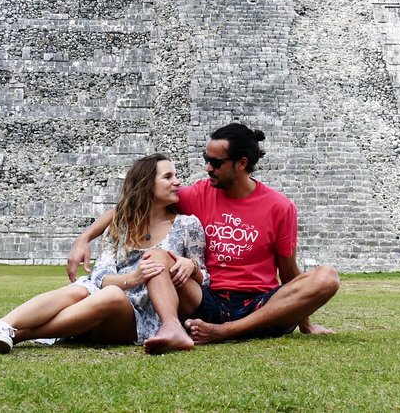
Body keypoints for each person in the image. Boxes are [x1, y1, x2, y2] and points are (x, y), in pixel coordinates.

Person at [68, 123, 340, 344]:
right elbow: (134, 202)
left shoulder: (280, 206)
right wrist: (84, 238)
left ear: (241, 163)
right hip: (205, 298)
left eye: (215, 162)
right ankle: (173, 327)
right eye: (205, 159)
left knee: (327, 277)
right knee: (158, 256)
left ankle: (227, 331)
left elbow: (288, 270)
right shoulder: (198, 194)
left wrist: (304, 321)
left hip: (260, 304)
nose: (207, 167)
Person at [0, 153, 208, 355]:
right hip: (105, 296)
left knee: (111, 294)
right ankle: (2, 326)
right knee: (82, 289)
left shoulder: (187, 225)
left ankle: (16, 335)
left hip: (144, 316)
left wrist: (191, 267)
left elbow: (204, 280)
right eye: (168, 177)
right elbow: (101, 276)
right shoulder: (120, 227)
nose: (178, 182)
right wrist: (134, 278)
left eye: (176, 176)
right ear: (146, 184)